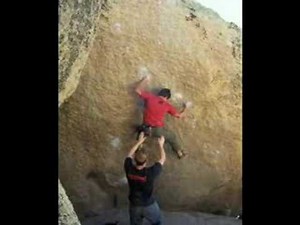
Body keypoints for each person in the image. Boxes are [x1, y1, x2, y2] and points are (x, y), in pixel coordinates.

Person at [135, 75, 190, 159]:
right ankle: (179, 152)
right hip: (157, 130)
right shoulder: (167, 105)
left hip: (145, 128)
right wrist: (186, 107)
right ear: (166, 98)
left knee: (140, 131)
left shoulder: (150, 97)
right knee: (172, 137)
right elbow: (179, 116)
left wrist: (144, 80)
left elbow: (137, 90)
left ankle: (140, 146)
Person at [124, 135, 166, 225]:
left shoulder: (128, 167)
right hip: (149, 205)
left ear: (134, 160)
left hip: (134, 204)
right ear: (146, 162)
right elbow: (162, 159)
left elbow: (129, 154)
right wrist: (161, 145)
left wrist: (139, 142)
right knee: (157, 222)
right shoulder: (151, 172)